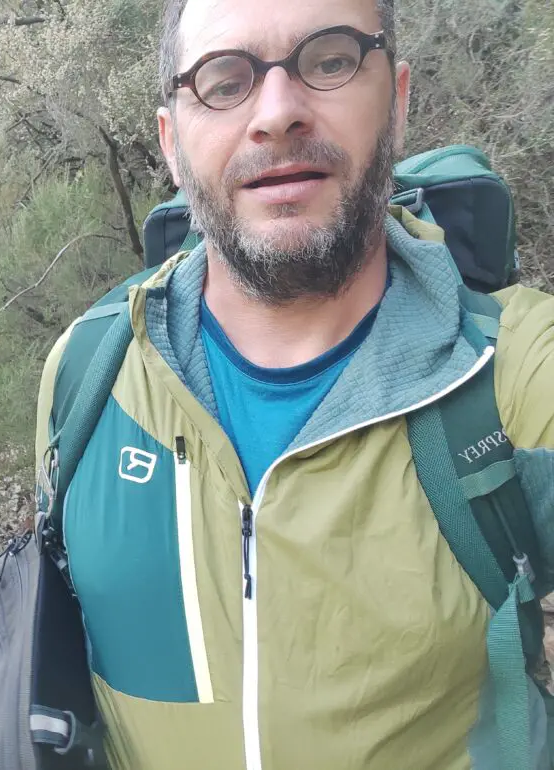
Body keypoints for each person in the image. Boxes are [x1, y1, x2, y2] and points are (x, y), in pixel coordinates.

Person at [29, 0, 554, 768]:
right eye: (223, 80)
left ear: (398, 100)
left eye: (331, 58)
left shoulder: (514, 366)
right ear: (172, 143)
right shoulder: (86, 374)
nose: (277, 113)